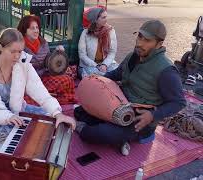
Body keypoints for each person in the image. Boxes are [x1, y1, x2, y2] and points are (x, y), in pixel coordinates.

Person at [0, 28, 76, 176]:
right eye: (12, 51)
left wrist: (57, 112)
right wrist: (7, 117)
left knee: (50, 118)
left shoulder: (23, 63)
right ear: (1, 48)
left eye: (20, 51)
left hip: (18, 111)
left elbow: (39, 90)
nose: (17, 56)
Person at [75, 20, 186, 155]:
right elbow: (117, 74)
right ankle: (121, 139)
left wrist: (152, 115)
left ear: (159, 44)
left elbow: (179, 102)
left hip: (139, 121)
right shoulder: (133, 56)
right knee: (80, 112)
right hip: (118, 105)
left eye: (147, 40)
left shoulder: (166, 70)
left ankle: (119, 136)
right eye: (139, 37)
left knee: (96, 134)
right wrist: (96, 81)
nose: (139, 43)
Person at [17, 15, 76, 105]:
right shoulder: (19, 45)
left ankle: (46, 97)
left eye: (37, 27)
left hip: (44, 78)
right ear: (24, 30)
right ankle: (47, 97)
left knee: (67, 79)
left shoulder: (43, 43)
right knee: (24, 98)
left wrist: (57, 52)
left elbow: (48, 60)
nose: (36, 31)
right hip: (27, 82)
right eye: (32, 28)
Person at [78, 7, 118, 78]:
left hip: (106, 64)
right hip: (89, 65)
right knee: (94, 77)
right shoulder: (85, 33)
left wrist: (104, 65)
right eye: (103, 17)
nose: (106, 19)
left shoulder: (110, 31)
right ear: (95, 20)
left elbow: (112, 52)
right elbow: (82, 55)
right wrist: (96, 65)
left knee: (119, 72)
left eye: (106, 17)